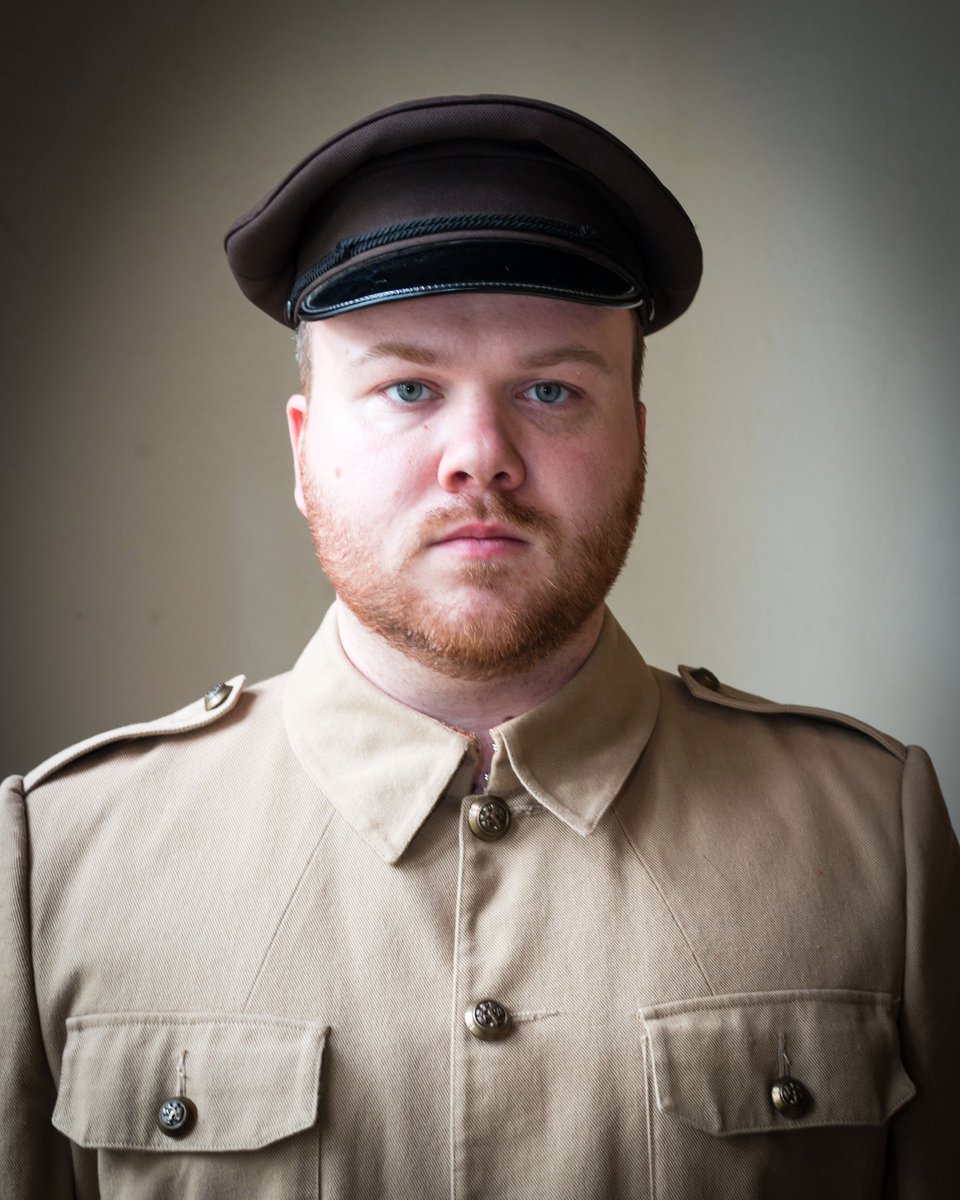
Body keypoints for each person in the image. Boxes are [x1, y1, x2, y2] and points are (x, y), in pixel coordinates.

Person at [1, 94, 957, 1200]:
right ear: (305, 454)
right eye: (408, 388)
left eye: (551, 390)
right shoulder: (67, 859)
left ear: (636, 440)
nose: (480, 458)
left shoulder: (874, 836)